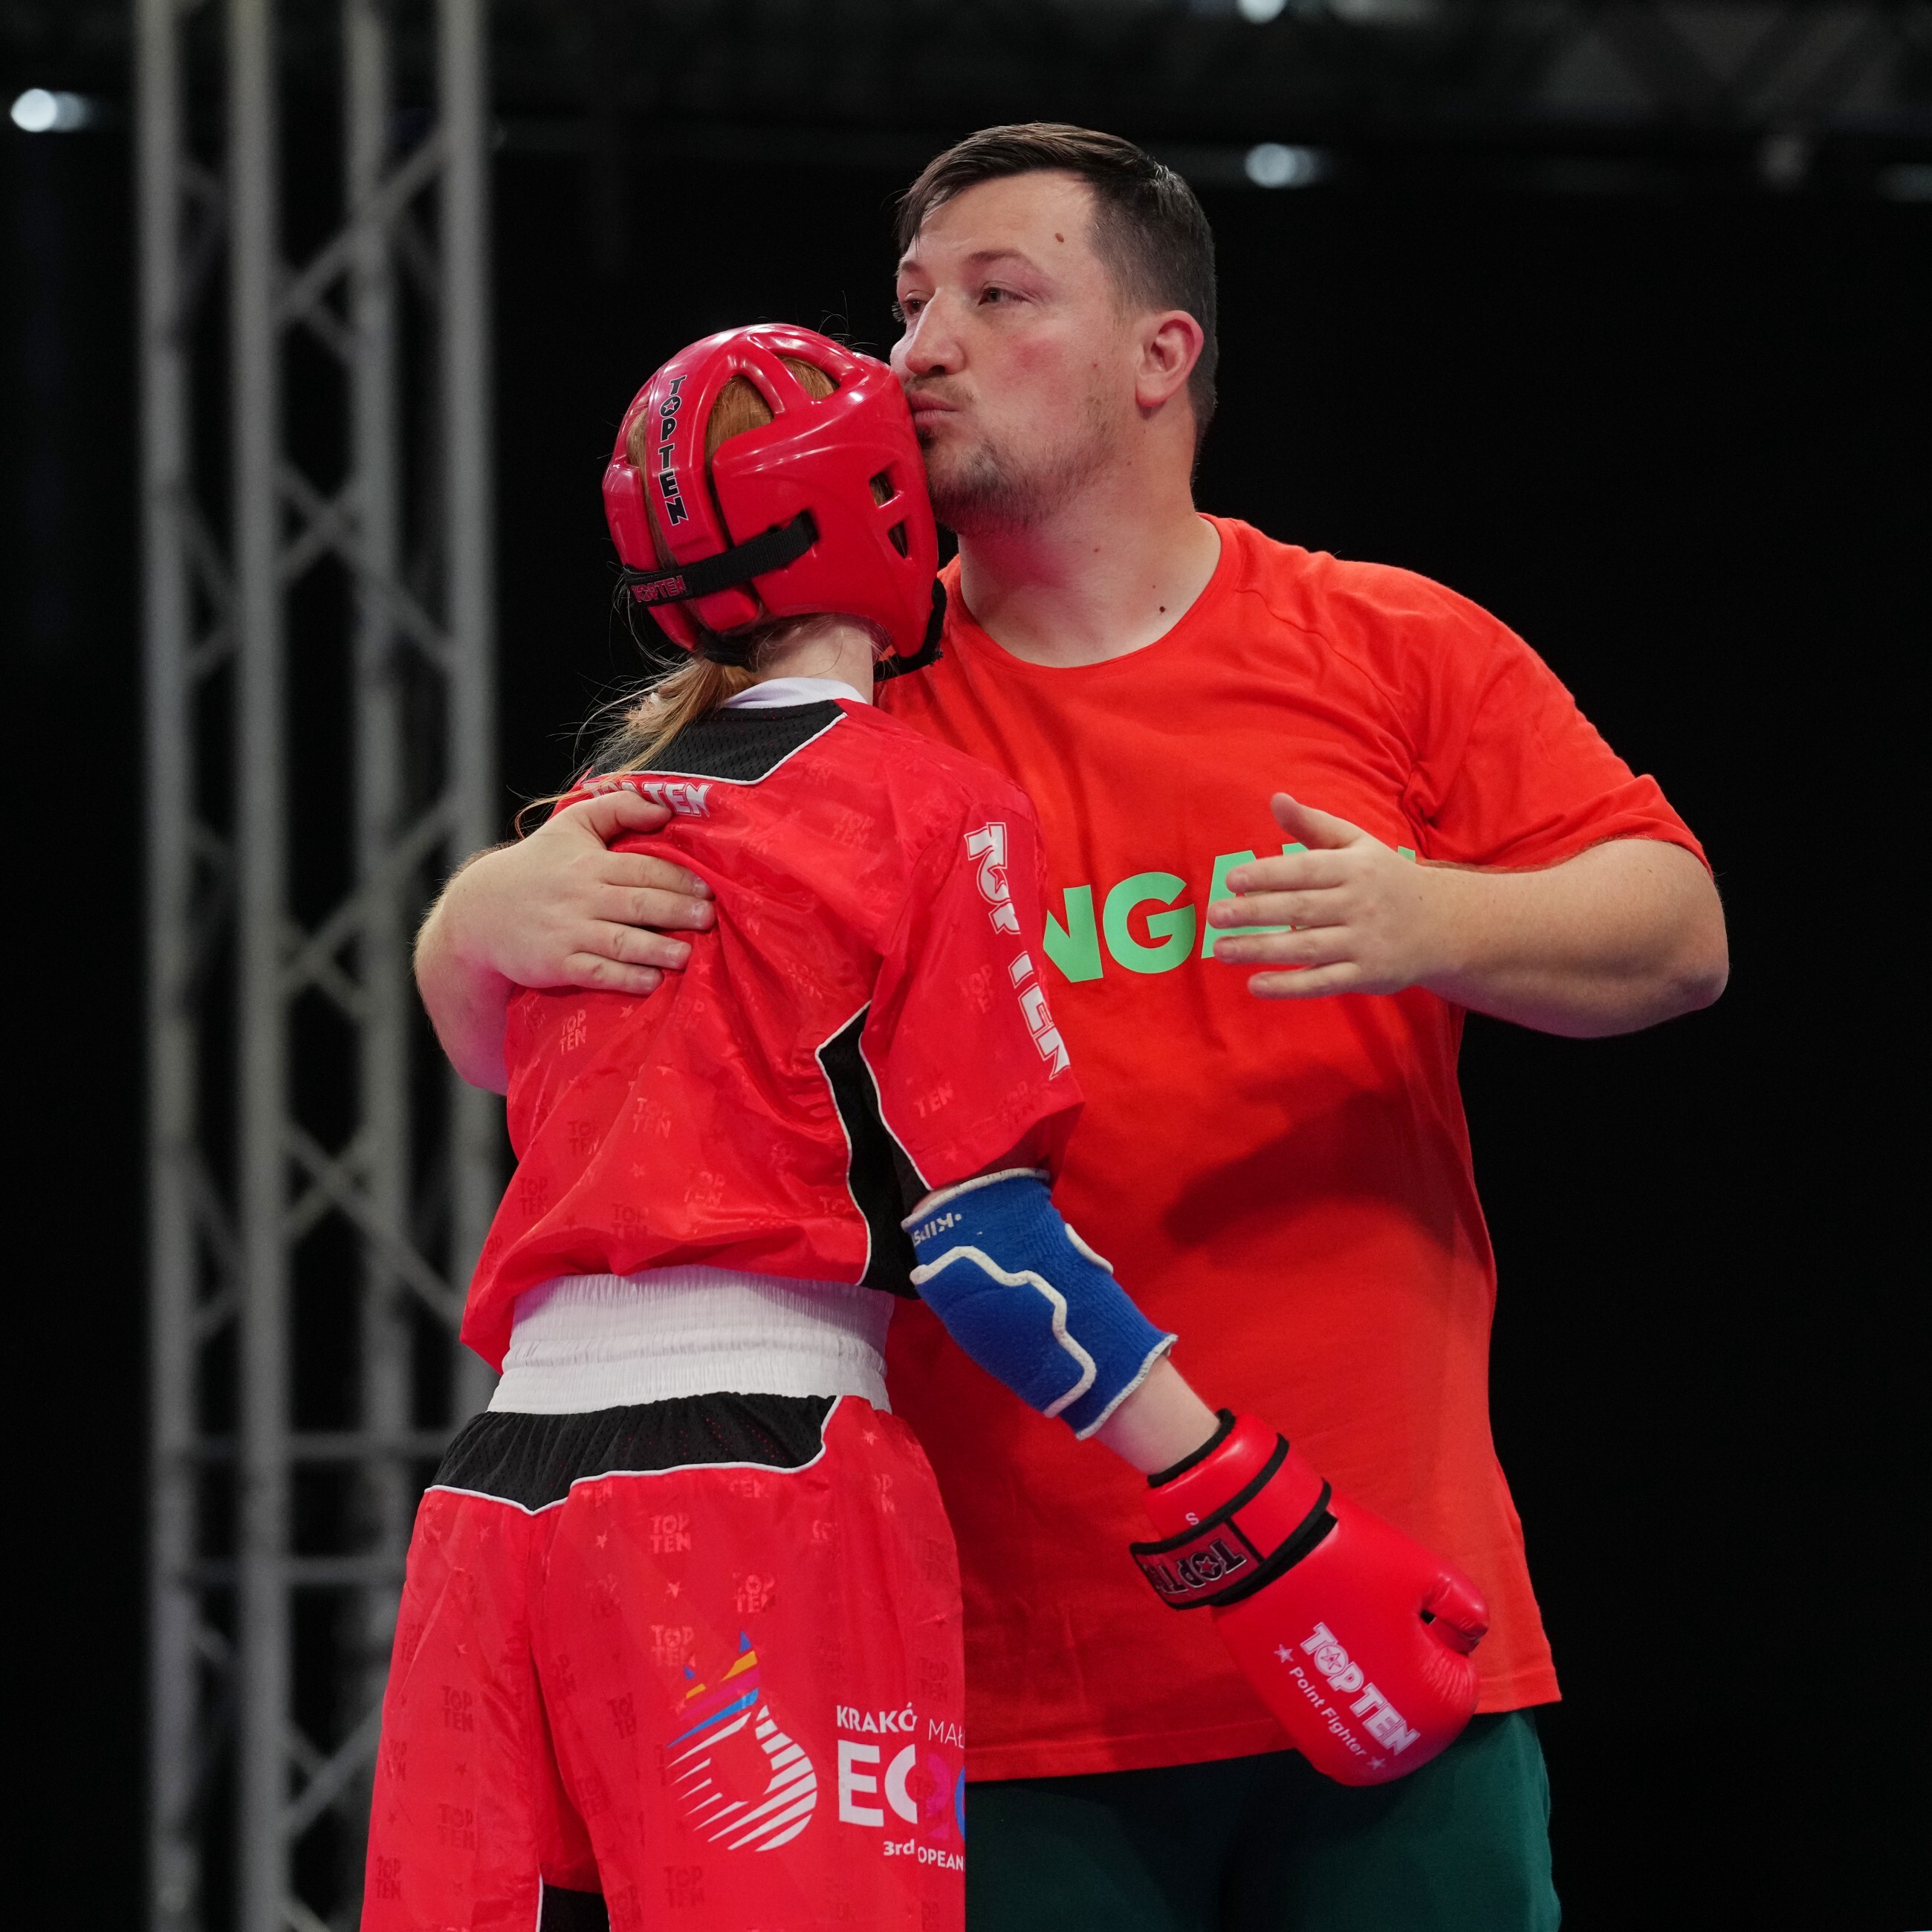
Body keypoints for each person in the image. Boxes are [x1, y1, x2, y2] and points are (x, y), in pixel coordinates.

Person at [415, 129, 1729, 1931]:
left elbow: (1677, 932)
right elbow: (560, 1070)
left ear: (1159, 354)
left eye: (996, 294)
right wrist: (467, 926)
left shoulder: (1382, 643)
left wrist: (1433, 917)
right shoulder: (825, 719)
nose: (920, 349)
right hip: (990, 1682)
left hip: (1377, 1618)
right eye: (907, 305)